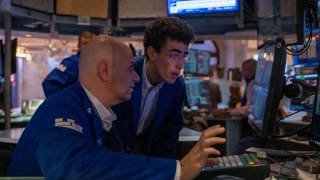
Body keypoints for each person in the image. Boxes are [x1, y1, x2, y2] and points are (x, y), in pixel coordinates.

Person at [8, 35, 226, 179]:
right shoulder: (60, 110)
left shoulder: (96, 113)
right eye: (130, 68)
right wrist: (179, 170)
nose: (135, 77)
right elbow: (75, 169)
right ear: (105, 71)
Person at [112, 17, 195, 158]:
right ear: (152, 53)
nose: (181, 65)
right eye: (174, 56)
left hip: (145, 154)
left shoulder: (177, 86)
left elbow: (170, 134)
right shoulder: (124, 73)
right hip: (112, 154)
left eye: (184, 57)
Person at [42, 31, 96, 97]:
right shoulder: (73, 62)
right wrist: (63, 104)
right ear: (79, 46)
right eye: (85, 43)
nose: (89, 46)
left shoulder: (96, 64)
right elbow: (49, 83)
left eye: (91, 43)